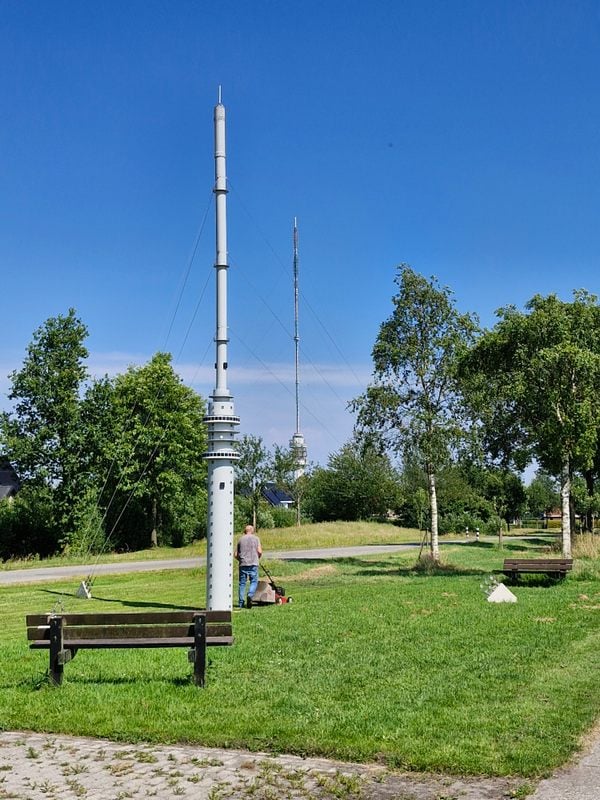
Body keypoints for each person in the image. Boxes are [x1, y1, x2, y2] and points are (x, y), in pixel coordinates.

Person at [235, 524, 262, 608]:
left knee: (242, 583)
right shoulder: (256, 539)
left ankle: (241, 603)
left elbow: (235, 554)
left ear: (245, 531)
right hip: (253, 563)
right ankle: (250, 595)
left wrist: (240, 560)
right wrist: (258, 558)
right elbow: (260, 551)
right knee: (254, 581)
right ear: (252, 530)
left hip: (243, 564)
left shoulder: (240, 539)